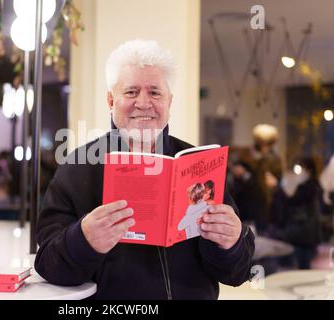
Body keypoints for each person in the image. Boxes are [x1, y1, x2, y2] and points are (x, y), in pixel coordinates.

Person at [34, 39, 255, 299]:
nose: (143, 102)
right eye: (131, 92)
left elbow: (237, 273)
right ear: (110, 100)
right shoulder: (78, 166)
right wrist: (83, 241)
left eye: (155, 92)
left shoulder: (199, 166)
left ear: (169, 102)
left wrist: (232, 242)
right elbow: (48, 266)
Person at [283, 158, 323, 269]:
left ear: (308, 170)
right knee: (304, 263)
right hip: (309, 232)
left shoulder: (307, 187)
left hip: (303, 232)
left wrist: (284, 190)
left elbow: (292, 202)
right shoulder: (315, 185)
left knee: (303, 263)